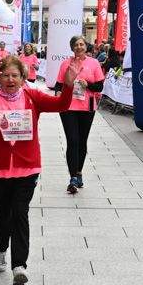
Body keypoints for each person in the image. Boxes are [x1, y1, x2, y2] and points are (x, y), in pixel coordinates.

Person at [0, 53, 81, 285]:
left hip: (27, 168)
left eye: (15, 76)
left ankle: (19, 265)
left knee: (20, 213)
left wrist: (68, 84)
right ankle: (0, 248)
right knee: (1, 215)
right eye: (6, 75)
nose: (10, 80)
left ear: (23, 77)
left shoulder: (32, 96)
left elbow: (60, 104)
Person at [53, 36, 105, 194]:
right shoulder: (65, 64)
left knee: (82, 141)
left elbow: (100, 86)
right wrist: (57, 96)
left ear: (86, 46)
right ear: (72, 48)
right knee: (72, 140)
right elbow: (58, 85)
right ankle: (73, 178)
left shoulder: (94, 63)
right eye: (76, 45)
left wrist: (88, 84)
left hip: (87, 107)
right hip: (68, 107)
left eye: (81, 44)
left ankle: (79, 172)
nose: (79, 47)